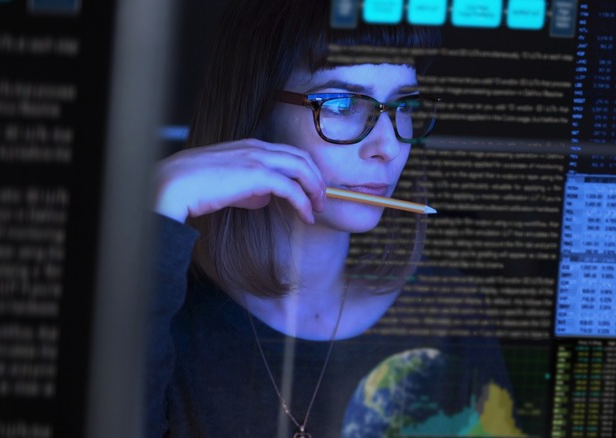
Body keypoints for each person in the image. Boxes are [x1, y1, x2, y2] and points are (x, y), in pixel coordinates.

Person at [148, 0, 522, 436]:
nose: (386, 146)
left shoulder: (449, 311)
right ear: (257, 110)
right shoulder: (164, 309)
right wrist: (158, 209)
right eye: (342, 104)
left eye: (403, 106)